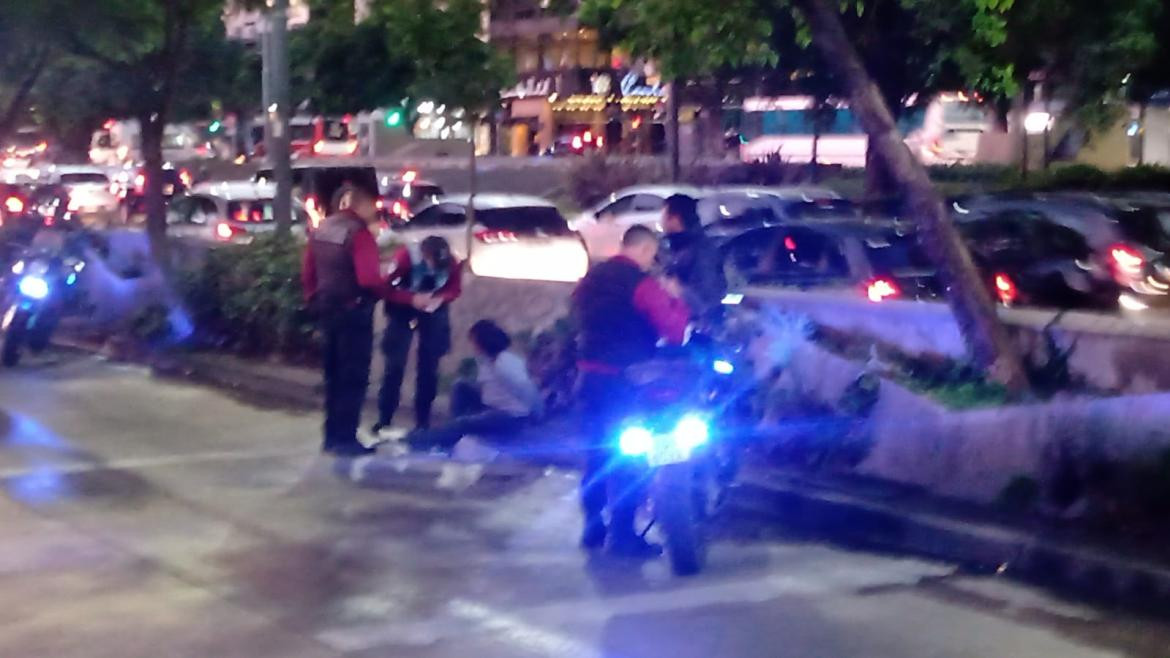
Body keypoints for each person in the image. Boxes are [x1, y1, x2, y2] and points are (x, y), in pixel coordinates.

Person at [573, 225, 690, 558]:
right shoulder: (643, 284)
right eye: (652, 254)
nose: (652, 260)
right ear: (644, 249)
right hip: (628, 383)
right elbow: (675, 331)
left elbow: (578, 316)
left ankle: (593, 527)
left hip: (589, 379)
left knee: (597, 455)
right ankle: (623, 535)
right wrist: (676, 300)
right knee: (632, 457)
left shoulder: (590, 280)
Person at [302, 183, 389, 457]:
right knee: (353, 378)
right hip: (353, 312)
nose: (373, 213)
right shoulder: (359, 234)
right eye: (371, 208)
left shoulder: (323, 228)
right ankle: (346, 440)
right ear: (361, 205)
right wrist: (390, 288)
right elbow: (368, 279)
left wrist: (313, 300)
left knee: (333, 376)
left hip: (327, 310)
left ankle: (330, 436)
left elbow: (308, 272)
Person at [406, 319, 543, 452]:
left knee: (463, 424)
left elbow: (526, 387)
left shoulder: (504, 363)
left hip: (510, 416)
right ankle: (452, 433)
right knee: (461, 386)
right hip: (493, 404)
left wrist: (537, 414)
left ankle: (419, 440)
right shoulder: (487, 360)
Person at [374, 235, 462, 439]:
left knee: (429, 365)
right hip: (402, 309)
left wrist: (440, 298)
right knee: (395, 364)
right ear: (424, 255)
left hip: (433, 309)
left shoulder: (452, 263)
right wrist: (410, 299)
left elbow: (455, 289)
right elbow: (385, 288)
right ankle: (384, 418)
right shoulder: (405, 258)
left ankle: (423, 421)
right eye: (432, 262)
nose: (436, 267)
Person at [659, 193, 726, 321]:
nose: (661, 222)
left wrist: (679, 291)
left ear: (674, 219)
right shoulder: (674, 245)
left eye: (663, 216)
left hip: (694, 329)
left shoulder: (701, 250)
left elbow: (707, 298)